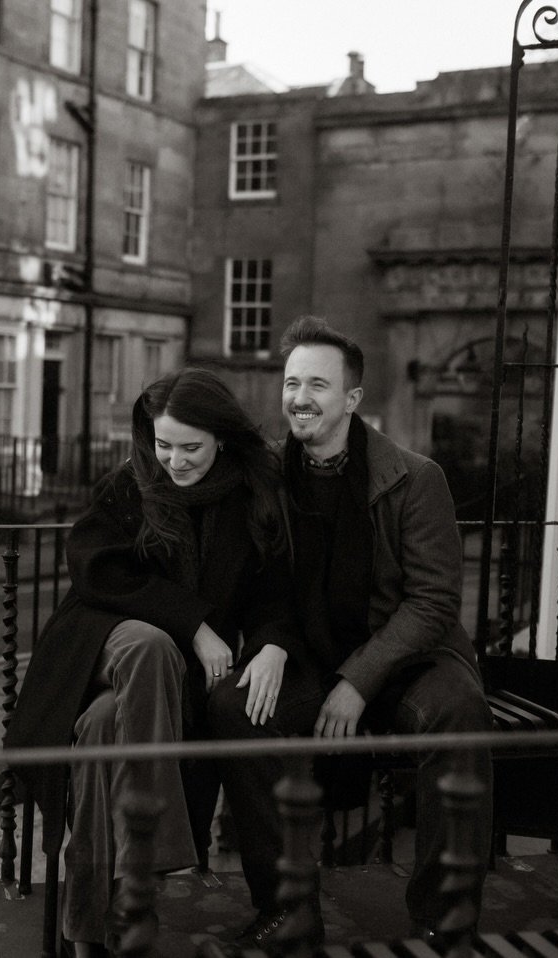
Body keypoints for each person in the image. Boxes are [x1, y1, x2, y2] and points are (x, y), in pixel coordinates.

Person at [208, 315, 493, 948]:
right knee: (237, 707)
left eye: (317, 385)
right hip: (309, 651)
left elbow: (433, 601)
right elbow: (258, 581)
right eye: (291, 383)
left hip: (406, 656)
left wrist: (359, 682)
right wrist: (273, 644)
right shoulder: (268, 478)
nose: (299, 398)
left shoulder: (416, 479)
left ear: (353, 399)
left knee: (459, 712)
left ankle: (445, 922)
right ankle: (289, 907)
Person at [6, 367, 296, 958]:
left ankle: (92, 933)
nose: (175, 461)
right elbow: (96, 570)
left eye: (190, 447)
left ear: (222, 438)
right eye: (164, 445)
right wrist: (194, 626)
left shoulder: (255, 494)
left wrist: (270, 643)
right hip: (104, 638)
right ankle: (160, 845)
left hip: (157, 685)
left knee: (98, 734)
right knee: (152, 644)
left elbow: (274, 590)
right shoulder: (129, 485)